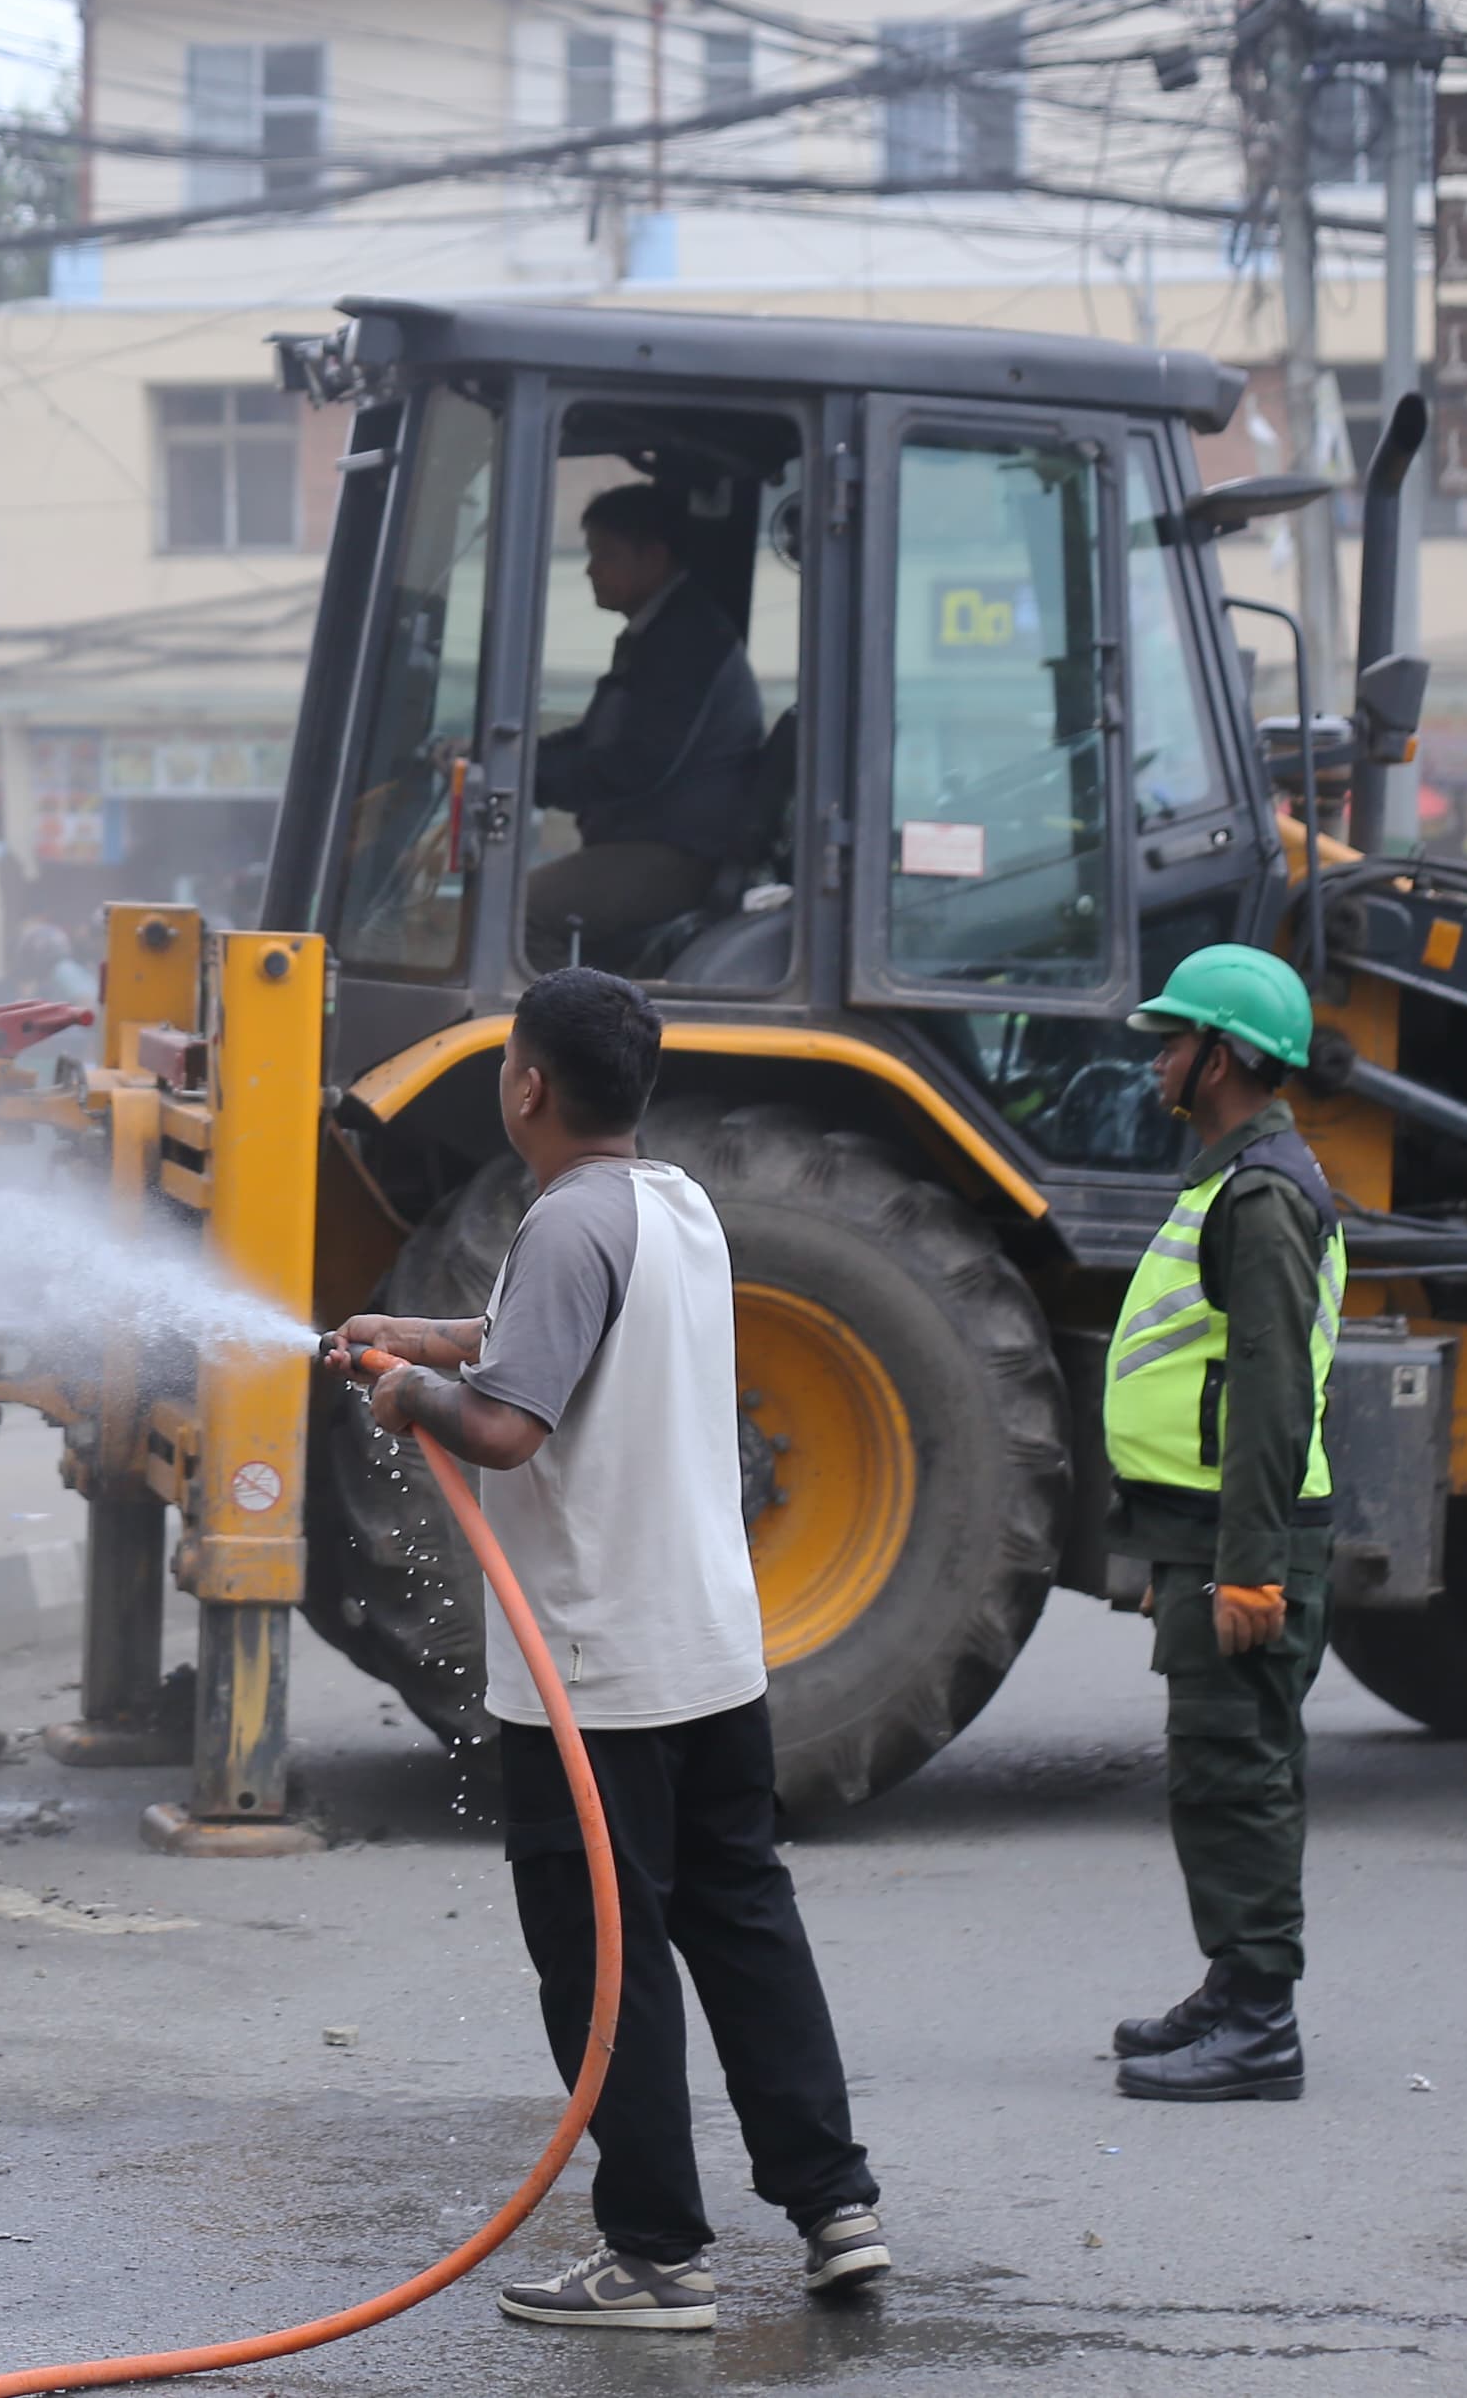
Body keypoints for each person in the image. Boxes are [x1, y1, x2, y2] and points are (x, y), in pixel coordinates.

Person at [331, 965, 887, 2329]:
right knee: (746, 1924)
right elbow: (553, 1346)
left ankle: (653, 2254)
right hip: (706, 1652)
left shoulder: (564, 1224)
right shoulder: (670, 1204)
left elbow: (513, 1424)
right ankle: (835, 2206)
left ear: (527, 1085)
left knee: (606, 1959)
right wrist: (426, 1338)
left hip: (593, 1675)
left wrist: (412, 1396)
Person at [1104, 943, 1341, 2104]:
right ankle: (1231, 1984)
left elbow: (1267, 1393)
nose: (1157, 1058)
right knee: (1222, 1765)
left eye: (1174, 1039)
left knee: (1232, 1772)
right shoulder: (1229, 1182)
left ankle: (1258, 2023)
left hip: (1242, 1539)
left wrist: (1247, 1569)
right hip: (1207, 1533)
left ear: (1224, 1057)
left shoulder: (1257, 1197)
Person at [521, 484, 763, 971]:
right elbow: (594, 739)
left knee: (523, 914)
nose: (591, 570)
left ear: (654, 556)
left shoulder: (686, 640)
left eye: (605, 555)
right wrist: (517, 760)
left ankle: (562, 1042)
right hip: (651, 840)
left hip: (676, 853)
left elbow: (636, 764)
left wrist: (531, 779)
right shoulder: (657, 634)